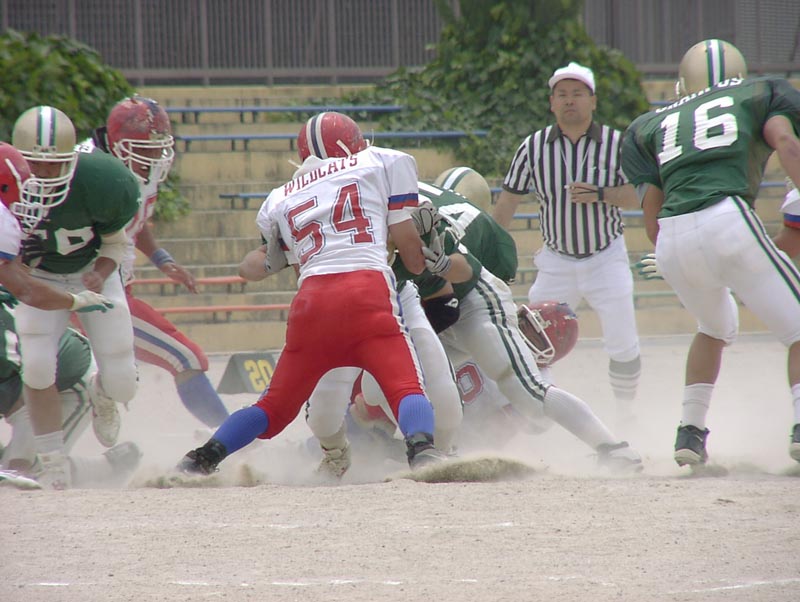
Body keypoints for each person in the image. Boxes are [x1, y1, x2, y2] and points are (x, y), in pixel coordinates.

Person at [177, 111, 448, 475]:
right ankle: (423, 451)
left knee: (272, 408)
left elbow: (259, 269)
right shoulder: (382, 161)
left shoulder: (282, 196)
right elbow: (412, 262)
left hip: (312, 303)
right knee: (405, 387)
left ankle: (200, 459)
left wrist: (273, 258)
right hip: (366, 291)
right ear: (354, 144)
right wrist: (426, 252)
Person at [387, 169, 643, 471]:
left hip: (471, 300)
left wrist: (441, 265)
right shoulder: (386, 193)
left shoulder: (416, 215)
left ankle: (612, 448)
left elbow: (465, 270)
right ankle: (405, 447)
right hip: (426, 303)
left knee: (524, 388)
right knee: (403, 378)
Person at [621, 39, 800, 467]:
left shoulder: (651, 124)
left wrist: (679, 256)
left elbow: (652, 218)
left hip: (673, 237)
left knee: (714, 327)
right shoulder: (760, 93)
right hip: (727, 214)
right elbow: (785, 142)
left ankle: (690, 431)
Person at [493, 61, 642, 427]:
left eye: (577, 93)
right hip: (556, 259)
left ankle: (626, 413)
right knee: (532, 338)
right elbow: (509, 200)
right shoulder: (533, 146)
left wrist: (602, 194)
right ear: (551, 102)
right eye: (562, 94)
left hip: (606, 254)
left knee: (623, 339)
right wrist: (490, 249)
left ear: (593, 101)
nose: (569, 100)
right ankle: (536, 412)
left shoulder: (617, 143)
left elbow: (641, 195)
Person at [77, 96, 230, 428]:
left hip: (109, 287)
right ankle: (231, 437)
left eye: (157, 148)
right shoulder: (88, 172)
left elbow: (135, 219)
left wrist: (162, 258)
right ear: (117, 144)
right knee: (185, 358)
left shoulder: (132, 170)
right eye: (144, 148)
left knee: (97, 380)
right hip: (87, 290)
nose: (152, 157)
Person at [11, 105, 141, 488]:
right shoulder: (7, 182)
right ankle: (53, 462)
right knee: (36, 367)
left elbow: (115, 243)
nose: (44, 172)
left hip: (91, 273)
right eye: (35, 163)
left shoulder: (102, 180)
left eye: (54, 164)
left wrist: (100, 273)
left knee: (123, 383)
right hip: (38, 278)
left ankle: (102, 392)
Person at [0, 302, 142, 487]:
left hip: (71, 383)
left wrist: (18, 466)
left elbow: (25, 412)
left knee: (23, 475)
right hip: (34, 384)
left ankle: (106, 468)